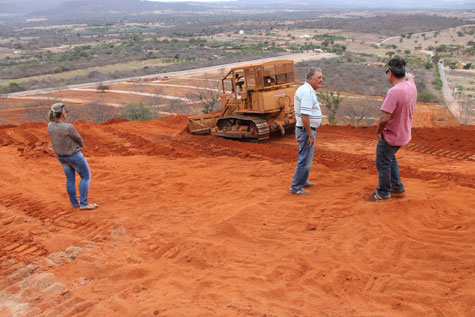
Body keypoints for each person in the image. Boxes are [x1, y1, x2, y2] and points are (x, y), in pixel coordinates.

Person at [365, 58, 417, 202]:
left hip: (391, 135)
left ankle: (383, 193)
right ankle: (397, 187)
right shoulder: (411, 85)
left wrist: (378, 131)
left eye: (387, 71)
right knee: (389, 158)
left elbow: (384, 119)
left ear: (390, 73)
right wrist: (408, 76)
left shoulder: (394, 92)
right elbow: (410, 78)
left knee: (382, 163)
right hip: (404, 134)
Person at [47, 103, 98, 210]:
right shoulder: (68, 127)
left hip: (61, 157)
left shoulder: (50, 125)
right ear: (62, 113)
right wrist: (80, 145)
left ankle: (75, 204)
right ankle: (84, 204)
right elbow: (78, 138)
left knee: (70, 179)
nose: (67, 113)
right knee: (86, 177)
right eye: (66, 111)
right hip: (74, 155)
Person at [289, 67, 323, 195]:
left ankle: (302, 181)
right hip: (305, 131)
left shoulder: (305, 89)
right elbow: (304, 116)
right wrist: (310, 134)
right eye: (319, 78)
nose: (321, 80)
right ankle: (296, 187)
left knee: (306, 158)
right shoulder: (307, 92)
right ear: (310, 79)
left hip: (304, 130)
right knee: (304, 159)